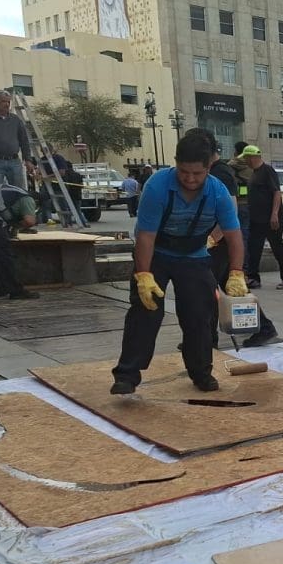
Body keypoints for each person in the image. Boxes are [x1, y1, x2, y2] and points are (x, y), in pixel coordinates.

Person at [110, 133, 248, 395]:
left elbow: (234, 236)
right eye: (184, 172)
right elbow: (146, 236)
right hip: (157, 253)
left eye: (198, 173)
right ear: (175, 163)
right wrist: (143, 275)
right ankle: (127, 375)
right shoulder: (157, 186)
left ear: (209, 167)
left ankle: (201, 373)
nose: (190, 179)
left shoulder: (218, 192)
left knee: (199, 315)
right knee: (145, 310)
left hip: (194, 255)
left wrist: (236, 272)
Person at [183, 128, 279, 348]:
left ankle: (208, 338)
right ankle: (263, 328)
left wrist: (212, 239)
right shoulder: (214, 171)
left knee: (208, 289)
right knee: (227, 288)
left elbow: (231, 210)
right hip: (217, 241)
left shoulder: (221, 173)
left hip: (222, 242)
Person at [241, 145, 283, 290]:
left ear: (252, 157)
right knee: (254, 247)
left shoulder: (267, 171)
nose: (245, 161)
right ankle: (253, 278)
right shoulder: (254, 173)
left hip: (270, 218)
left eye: (246, 158)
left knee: (277, 247)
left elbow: (276, 192)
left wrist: (274, 214)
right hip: (256, 218)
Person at [0, 183, 40, 299]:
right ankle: (16, 291)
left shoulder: (11, 192)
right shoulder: (27, 199)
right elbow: (30, 221)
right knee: (4, 256)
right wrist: (16, 227)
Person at [0, 90, 34, 189]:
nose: (7, 104)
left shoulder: (15, 120)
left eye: (8, 102)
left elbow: (24, 141)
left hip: (14, 161)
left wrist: (28, 160)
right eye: (4, 101)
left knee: (18, 191)